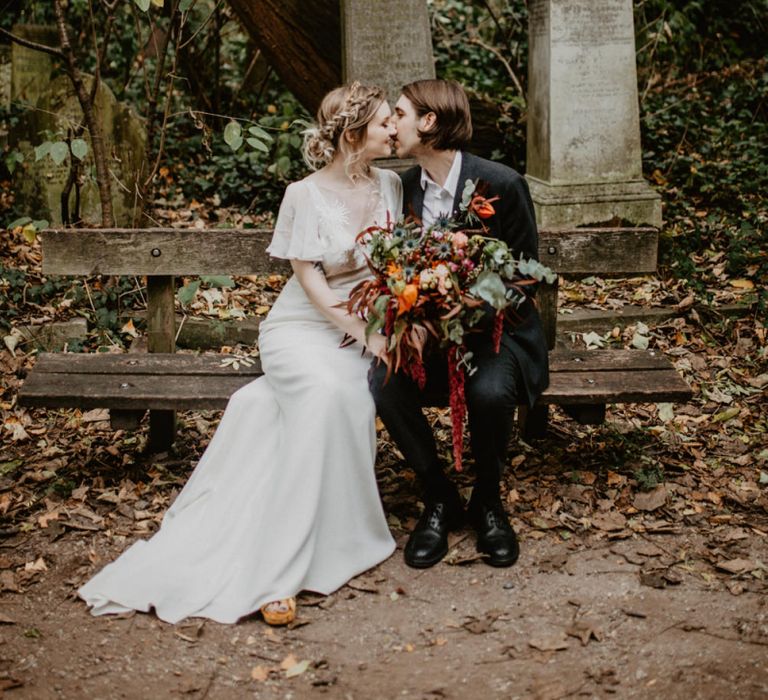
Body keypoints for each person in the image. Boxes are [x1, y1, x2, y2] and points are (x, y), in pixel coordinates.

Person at [79, 82, 401, 625]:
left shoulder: (391, 184)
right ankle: (277, 571)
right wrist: (364, 333)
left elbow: (396, 266)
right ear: (353, 133)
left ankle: (339, 534)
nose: (396, 129)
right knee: (324, 393)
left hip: (365, 326)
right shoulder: (303, 194)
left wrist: (385, 324)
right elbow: (313, 284)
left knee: (334, 396)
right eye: (386, 121)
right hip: (303, 328)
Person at [369, 79, 548, 569]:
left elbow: (524, 278)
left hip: (496, 333)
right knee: (382, 384)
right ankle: (441, 496)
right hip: (425, 334)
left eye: (400, 115)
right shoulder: (402, 187)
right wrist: (413, 312)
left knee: (490, 392)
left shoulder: (502, 185)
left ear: (429, 122)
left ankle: (488, 501)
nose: (392, 125)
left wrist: (471, 308)